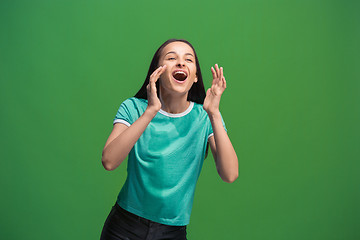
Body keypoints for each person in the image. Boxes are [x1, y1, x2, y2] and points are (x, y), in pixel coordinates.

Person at [100, 39, 238, 240]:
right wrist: (150, 112)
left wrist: (214, 113)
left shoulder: (205, 117)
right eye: (171, 58)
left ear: (195, 77)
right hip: (124, 227)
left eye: (188, 60)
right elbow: (109, 161)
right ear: (157, 72)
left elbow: (230, 174)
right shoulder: (133, 108)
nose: (181, 63)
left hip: (172, 232)